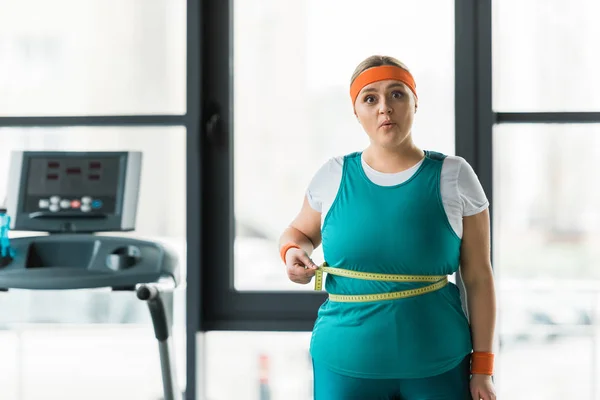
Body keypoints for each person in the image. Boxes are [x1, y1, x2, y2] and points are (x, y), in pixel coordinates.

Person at [278, 55, 497, 400]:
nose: (384, 107)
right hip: (343, 363)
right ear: (356, 111)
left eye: (396, 94)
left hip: (438, 363)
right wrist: (293, 253)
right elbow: (298, 235)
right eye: (370, 98)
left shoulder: (454, 176)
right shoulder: (333, 176)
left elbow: (479, 278)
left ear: (414, 102)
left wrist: (483, 369)